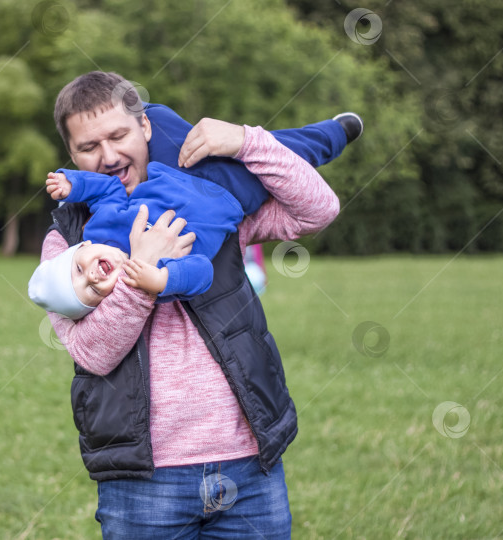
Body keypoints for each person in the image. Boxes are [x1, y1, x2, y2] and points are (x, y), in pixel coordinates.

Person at [41, 71, 347, 539]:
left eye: (119, 135)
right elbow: (93, 353)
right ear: (71, 154)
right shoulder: (67, 243)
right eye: (88, 148)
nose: (108, 157)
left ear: (144, 127)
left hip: (248, 463)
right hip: (143, 481)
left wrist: (246, 141)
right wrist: (140, 277)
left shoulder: (209, 202)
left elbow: (317, 209)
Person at [28, 162, 246, 319]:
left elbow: (109, 190)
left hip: (176, 173)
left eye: (78, 269)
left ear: (82, 246)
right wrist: (162, 279)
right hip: (227, 203)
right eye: (92, 291)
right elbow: (203, 270)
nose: (92, 277)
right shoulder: (146, 283)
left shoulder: (99, 228)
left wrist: (74, 185)